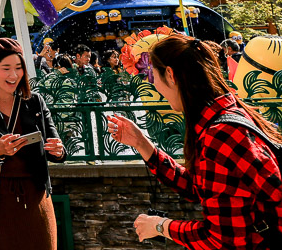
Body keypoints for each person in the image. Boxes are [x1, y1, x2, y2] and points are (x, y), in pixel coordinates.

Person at [108, 34, 282, 248]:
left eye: (152, 77)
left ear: (170, 75)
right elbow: (200, 187)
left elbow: (222, 241)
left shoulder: (220, 136)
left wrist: (161, 226)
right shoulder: (228, 112)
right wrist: (143, 145)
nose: (154, 87)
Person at [0, 38, 66, 249]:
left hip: (37, 198)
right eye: (6, 68)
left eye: (18, 68)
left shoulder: (35, 101)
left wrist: (59, 150)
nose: (13, 75)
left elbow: (58, 150)